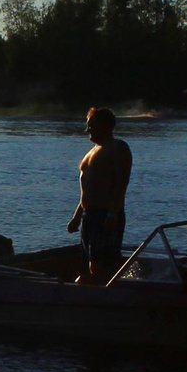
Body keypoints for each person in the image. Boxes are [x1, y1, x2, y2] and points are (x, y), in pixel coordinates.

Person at [67, 107, 132, 283]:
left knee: (100, 262)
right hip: (89, 216)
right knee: (89, 261)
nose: (87, 130)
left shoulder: (117, 147)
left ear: (104, 125)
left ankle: (109, 293)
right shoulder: (92, 151)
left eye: (91, 126)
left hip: (106, 214)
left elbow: (121, 183)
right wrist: (77, 217)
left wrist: (112, 213)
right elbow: (87, 190)